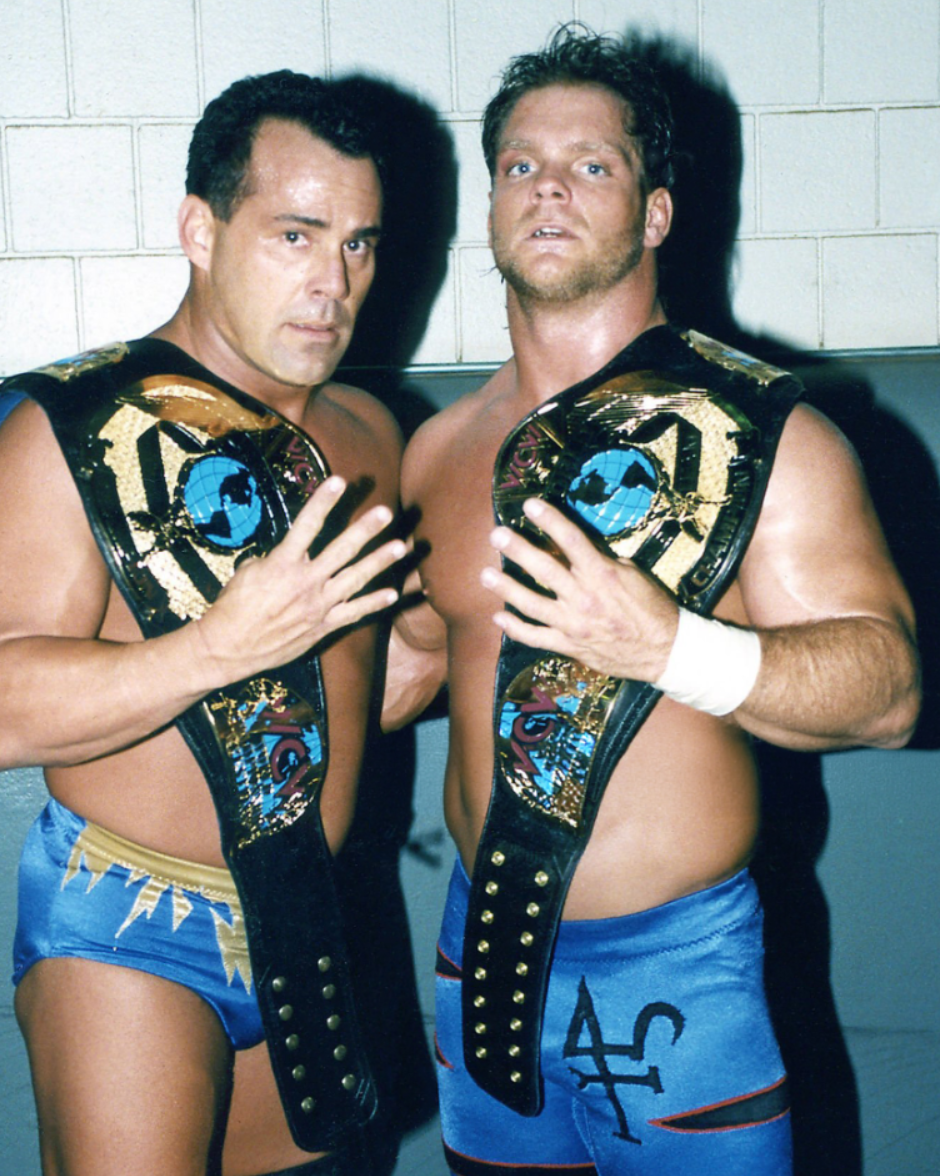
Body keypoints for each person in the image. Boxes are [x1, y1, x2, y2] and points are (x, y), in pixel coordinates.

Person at [385, 24, 920, 1176]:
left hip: (673, 971)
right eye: (521, 164)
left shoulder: (763, 431)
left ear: (656, 212)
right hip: (479, 952)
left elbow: (885, 691)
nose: (548, 188)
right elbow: (416, 663)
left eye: (592, 165)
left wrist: (672, 645)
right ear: (491, 204)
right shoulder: (438, 450)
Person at [0, 71, 408, 1176]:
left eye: (359, 245)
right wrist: (217, 649)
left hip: (307, 917)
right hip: (124, 921)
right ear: (200, 229)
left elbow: (371, 683)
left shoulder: (370, 436)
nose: (332, 283)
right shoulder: (67, 430)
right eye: (295, 235)